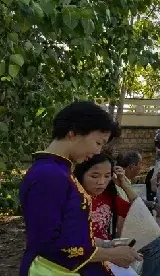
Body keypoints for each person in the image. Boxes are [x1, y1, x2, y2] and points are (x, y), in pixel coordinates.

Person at [19, 101, 141, 275]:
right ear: (73, 133)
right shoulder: (49, 176)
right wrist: (110, 254)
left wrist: (105, 244)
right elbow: (49, 245)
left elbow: (69, 231)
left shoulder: (60, 171)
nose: (98, 152)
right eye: (98, 142)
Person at [74, 153, 144, 274]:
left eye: (107, 176)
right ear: (82, 174)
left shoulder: (107, 196)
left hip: (110, 249)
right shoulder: (72, 199)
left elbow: (139, 213)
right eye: (95, 176)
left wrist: (124, 185)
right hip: (87, 256)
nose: (101, 182)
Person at [116, 151, 160, 276]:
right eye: (140, 164)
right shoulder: (117, 182)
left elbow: (134, 201)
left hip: (130, 222)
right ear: (132, 166)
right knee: (155, 247)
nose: (141, 167)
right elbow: (128, 206)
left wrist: (152, 205)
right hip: (122, 228)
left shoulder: (125, 181)